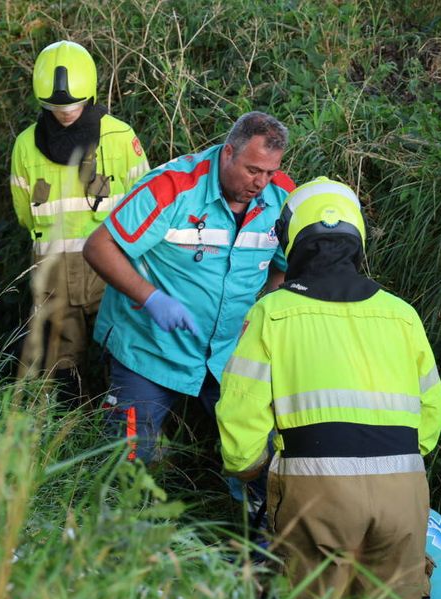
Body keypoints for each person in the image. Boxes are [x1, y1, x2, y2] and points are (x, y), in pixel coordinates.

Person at [215, 177, 441, 599]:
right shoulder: (402, 314)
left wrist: (250, 469)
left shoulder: (272, 313)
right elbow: (432, 414)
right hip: (403, 493)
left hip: (317, 493)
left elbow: (240, 417)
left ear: (292, 238)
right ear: (356, 238)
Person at [83, 111, 294, 463]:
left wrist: (263, 317)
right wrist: (151, 299)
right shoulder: (172, 187)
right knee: (126, 462)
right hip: (149, 349)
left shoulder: (283, 197)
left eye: (271, 172)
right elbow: (99, 246)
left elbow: (284, 270)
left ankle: (253, 513)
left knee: (264, 456)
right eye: (253, 170)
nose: (261, 182)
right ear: (228, 153)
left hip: (229, 353)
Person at [10, 40, 148, 401]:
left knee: (118, 355)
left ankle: (119, 438)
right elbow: (24, 212)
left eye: (73, 102)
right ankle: (70, 439)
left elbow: (146, 207)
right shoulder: (26, 145)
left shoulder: (119, 138)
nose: (66, 111)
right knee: (61, 364)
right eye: (56, 106)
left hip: (111, 269)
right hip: (53, 273)